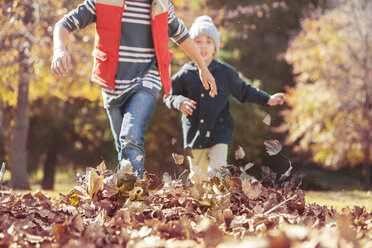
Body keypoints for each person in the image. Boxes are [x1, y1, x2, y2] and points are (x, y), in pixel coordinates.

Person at [51, 0, 217, 178]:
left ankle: (134, 194)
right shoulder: (101, 2)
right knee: (122, 145)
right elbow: (64, 24)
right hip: (112, 82)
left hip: (147, 78)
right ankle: (126, 191)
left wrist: (202, 67)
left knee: (130, 137)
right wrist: (59, 49)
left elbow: (181, 35)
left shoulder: (160, 6)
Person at [163, 16, 285, 184]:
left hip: (220, 131)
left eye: (209, 42)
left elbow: (244, 90)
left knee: (218, 172)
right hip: (194, 134)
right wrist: (180, 102)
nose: (203, 45)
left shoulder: (225, 73)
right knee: (197, 177)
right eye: (197, 41)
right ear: (190, 46)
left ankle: (218, 205)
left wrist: (268, 99)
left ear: (215, 48)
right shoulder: (185, 73)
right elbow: (169, 94)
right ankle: (200, 206)